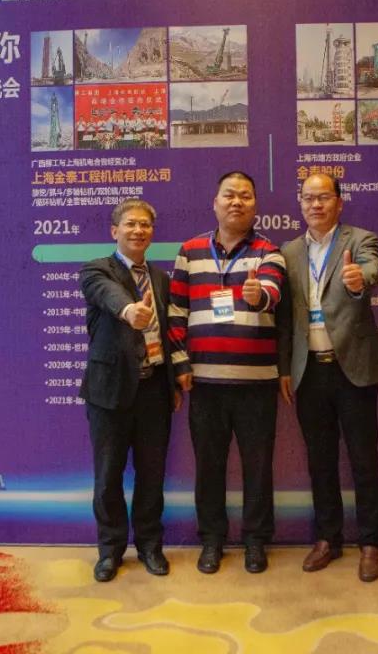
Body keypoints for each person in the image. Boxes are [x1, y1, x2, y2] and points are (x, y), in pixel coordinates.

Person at [168, 171, 286, 574]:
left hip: (256, 383)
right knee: (209, 466)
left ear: (255, 206)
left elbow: (273, 292)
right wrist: (180, 363)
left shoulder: (269, 251)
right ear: (215, 203)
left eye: (246, 196)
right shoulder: (190, 251)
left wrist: (259, 295)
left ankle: (255, 541)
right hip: (205, 383)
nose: (237, 202)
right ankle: (211, 540)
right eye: (229, 195)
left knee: (258, 466)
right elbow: (176, 312)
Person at [277, 172, 378, 582]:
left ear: (339, 203)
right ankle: (328, 538)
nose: (315, 204)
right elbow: (285, 319)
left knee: (364, 459)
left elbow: (371, 269)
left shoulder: (360, 240)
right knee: (320, 460)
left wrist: (359, 280)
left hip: (353, 369)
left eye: (323, 197)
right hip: (308, 370)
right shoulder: (289, 251)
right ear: (300, 203)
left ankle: (371, 544)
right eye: (308, 197)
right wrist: (284, 368)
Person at [79, 199, 180, 582]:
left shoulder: (161, 277)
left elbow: (168, 334)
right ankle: (110, 551)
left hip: (154, 389)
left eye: (145, 225)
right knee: (108, 476)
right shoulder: (96, 269)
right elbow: (107, 294)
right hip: (109, 392)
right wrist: (128, 311)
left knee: (152, 475)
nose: (138, 231)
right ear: (114, 231)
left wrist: (174, 380)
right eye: (130, 224)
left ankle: (150, 546)